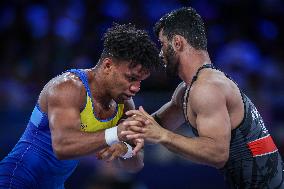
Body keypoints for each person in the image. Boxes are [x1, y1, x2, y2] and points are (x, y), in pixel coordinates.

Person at [121, 7, 284, 188]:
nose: (161, 54)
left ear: (177, 43)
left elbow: (217, 154)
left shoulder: (208, 87)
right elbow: (153, 126)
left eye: (162, 44)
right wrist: (113, 134)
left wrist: (163, 136)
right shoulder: (187, 89)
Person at [0, 23, 161, 188]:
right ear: (107, 66)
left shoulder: (124, 103)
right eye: (131, 78)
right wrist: (117, 133)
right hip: (16, 178)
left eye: (140, 81)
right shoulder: (67, 87)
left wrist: (125, 150)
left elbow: (135, 165)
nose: (136, 88)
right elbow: (62, 147)